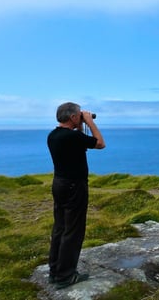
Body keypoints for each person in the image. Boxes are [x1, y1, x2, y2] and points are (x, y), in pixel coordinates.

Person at [46, 102, 105, 289]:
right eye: (79, 115)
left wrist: (80, 125)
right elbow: (100, 144)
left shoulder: (54, 135)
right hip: (75, 186)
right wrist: (90, 122)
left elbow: (81, 144)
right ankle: (65, 276)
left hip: (59, 184)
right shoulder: (72, 137)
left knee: (60, 227)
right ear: (72, 117)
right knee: (73, 230)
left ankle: (55, 271)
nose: (81, 116)